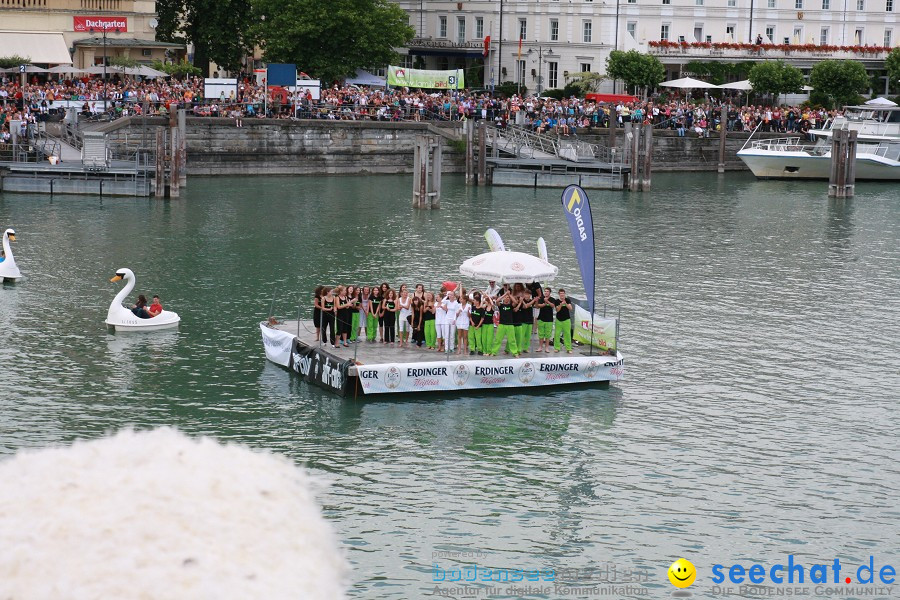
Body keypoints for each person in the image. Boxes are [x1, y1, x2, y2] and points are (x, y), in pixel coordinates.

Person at [490, 291, 519, 358]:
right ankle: (494, 352)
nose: (507, 298)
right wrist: (505, 294)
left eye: (508, 298)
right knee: (498, 339)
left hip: (510, 324)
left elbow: (515, 302)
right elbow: (497, 301)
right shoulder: (501, 305)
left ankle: (515, 352)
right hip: (502, 325)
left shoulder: (511, 305)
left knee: (512, 340)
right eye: (506, 298)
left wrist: (510, 295)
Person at [535, 287, 555, 353]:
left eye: (547, 291)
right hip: (541, 318)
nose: (546, 292)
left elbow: (552, 306)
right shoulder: (541, 298)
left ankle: (546, 347)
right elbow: (538, 306)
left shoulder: (552, 299)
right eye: (545, 291)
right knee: (541, 334)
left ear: (550, 293)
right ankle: (540, 347)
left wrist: (547, 301)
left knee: (547, 334)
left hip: (549, 319)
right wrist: (543, 304)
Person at [554, 289, 574, 354]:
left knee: (567, 334)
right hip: (559, 320)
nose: (562, 294)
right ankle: (557, 348)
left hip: (566, 320)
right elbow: (557, 310)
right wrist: (561, 304)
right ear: (559, 294)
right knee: (557, 334)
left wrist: (565, 303)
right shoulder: (556, 301)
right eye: (560, 293)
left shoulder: (567, 300)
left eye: (563, 293)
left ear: (564, 294)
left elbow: (570, 308)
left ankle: (568, 348)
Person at [441, 288, 460, 353]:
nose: (450, 296)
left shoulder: (456, 303)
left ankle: (451, 348)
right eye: (449, 295)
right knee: (446, 335)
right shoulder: (447, 301)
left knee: (452, 334)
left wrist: (454, 320)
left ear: (454, 296)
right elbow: (442, 301)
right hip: (447, 319)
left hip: (453, 319)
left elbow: (456, 312)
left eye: (452, 295)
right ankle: (446, 348)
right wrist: (447, 295)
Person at [455, 289, 471, 356]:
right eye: (460, 299)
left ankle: (465, 350)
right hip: (459, 321)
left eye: (461, 299)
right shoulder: (458, 305)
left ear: (465, 300)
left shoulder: (469, 306)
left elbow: (469, 315)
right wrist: (458, 312)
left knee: (465, 337)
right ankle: (459, 349)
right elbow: (456, 315)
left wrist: (468, 311)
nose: (460, 300)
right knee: (459, 336)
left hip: (465, 322)